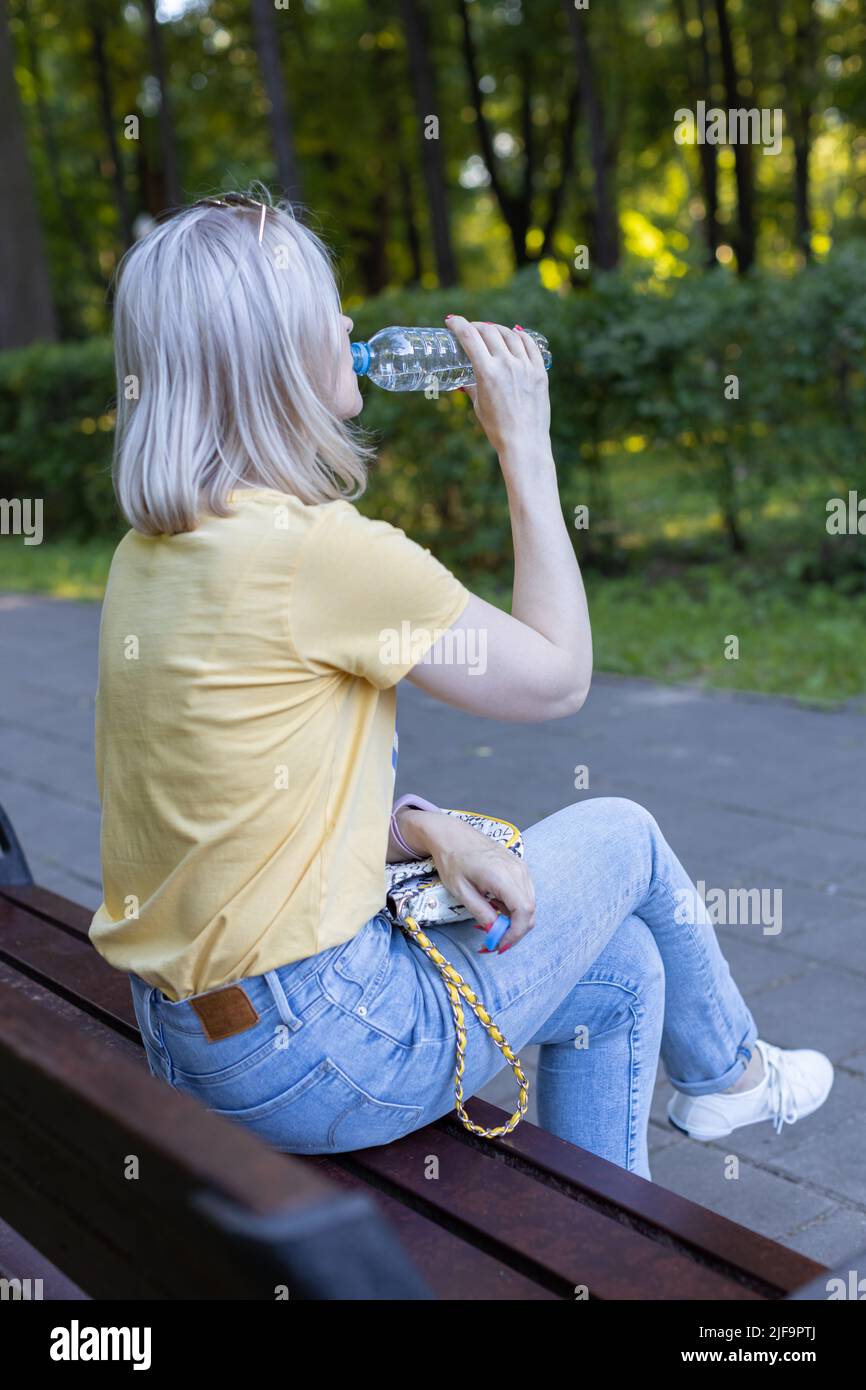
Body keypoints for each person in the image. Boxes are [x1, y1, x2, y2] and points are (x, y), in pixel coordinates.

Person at [89, 190, 833, 1180]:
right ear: (273, 355)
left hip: (196, 1038)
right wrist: (523, 446)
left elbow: (218, 809)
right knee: (622, 835)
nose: (351, 324)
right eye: (329, 310)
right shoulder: (319, 558)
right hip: (320, 1048)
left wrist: (417, 827)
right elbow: (556, 677)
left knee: (620, 972)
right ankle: (730, 1072)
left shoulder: (150, 554)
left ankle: (601, 1253)